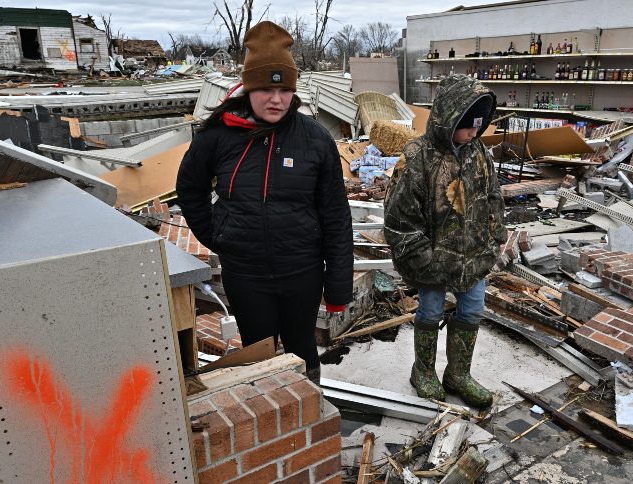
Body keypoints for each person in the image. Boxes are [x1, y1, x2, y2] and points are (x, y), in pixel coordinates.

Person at [175, 21, 353, 385]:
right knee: (258, 350)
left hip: (301, 271)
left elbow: (336, 216)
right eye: (267, 89)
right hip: (246, 275)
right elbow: (189, 188)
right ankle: (270, 411)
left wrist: (338, 287)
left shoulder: (315, 140)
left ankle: (309, 407)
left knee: (301, 348)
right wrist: (220, 235)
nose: (277, 99)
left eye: (286, 89)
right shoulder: (219, 135)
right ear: (249, 88)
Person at [383, 74, 506, 409]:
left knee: (472, 311)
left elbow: (493, 198)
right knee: (431, 310)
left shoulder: (478, 152)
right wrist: (425, 260)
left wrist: (494, 240)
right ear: (448, 119)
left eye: (479, 127)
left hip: (474, 258)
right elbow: (399, 219)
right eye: (467, 126)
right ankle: (423, 371)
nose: (474, 133)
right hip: (433, 261)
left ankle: (458, 374)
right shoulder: (418, 156)